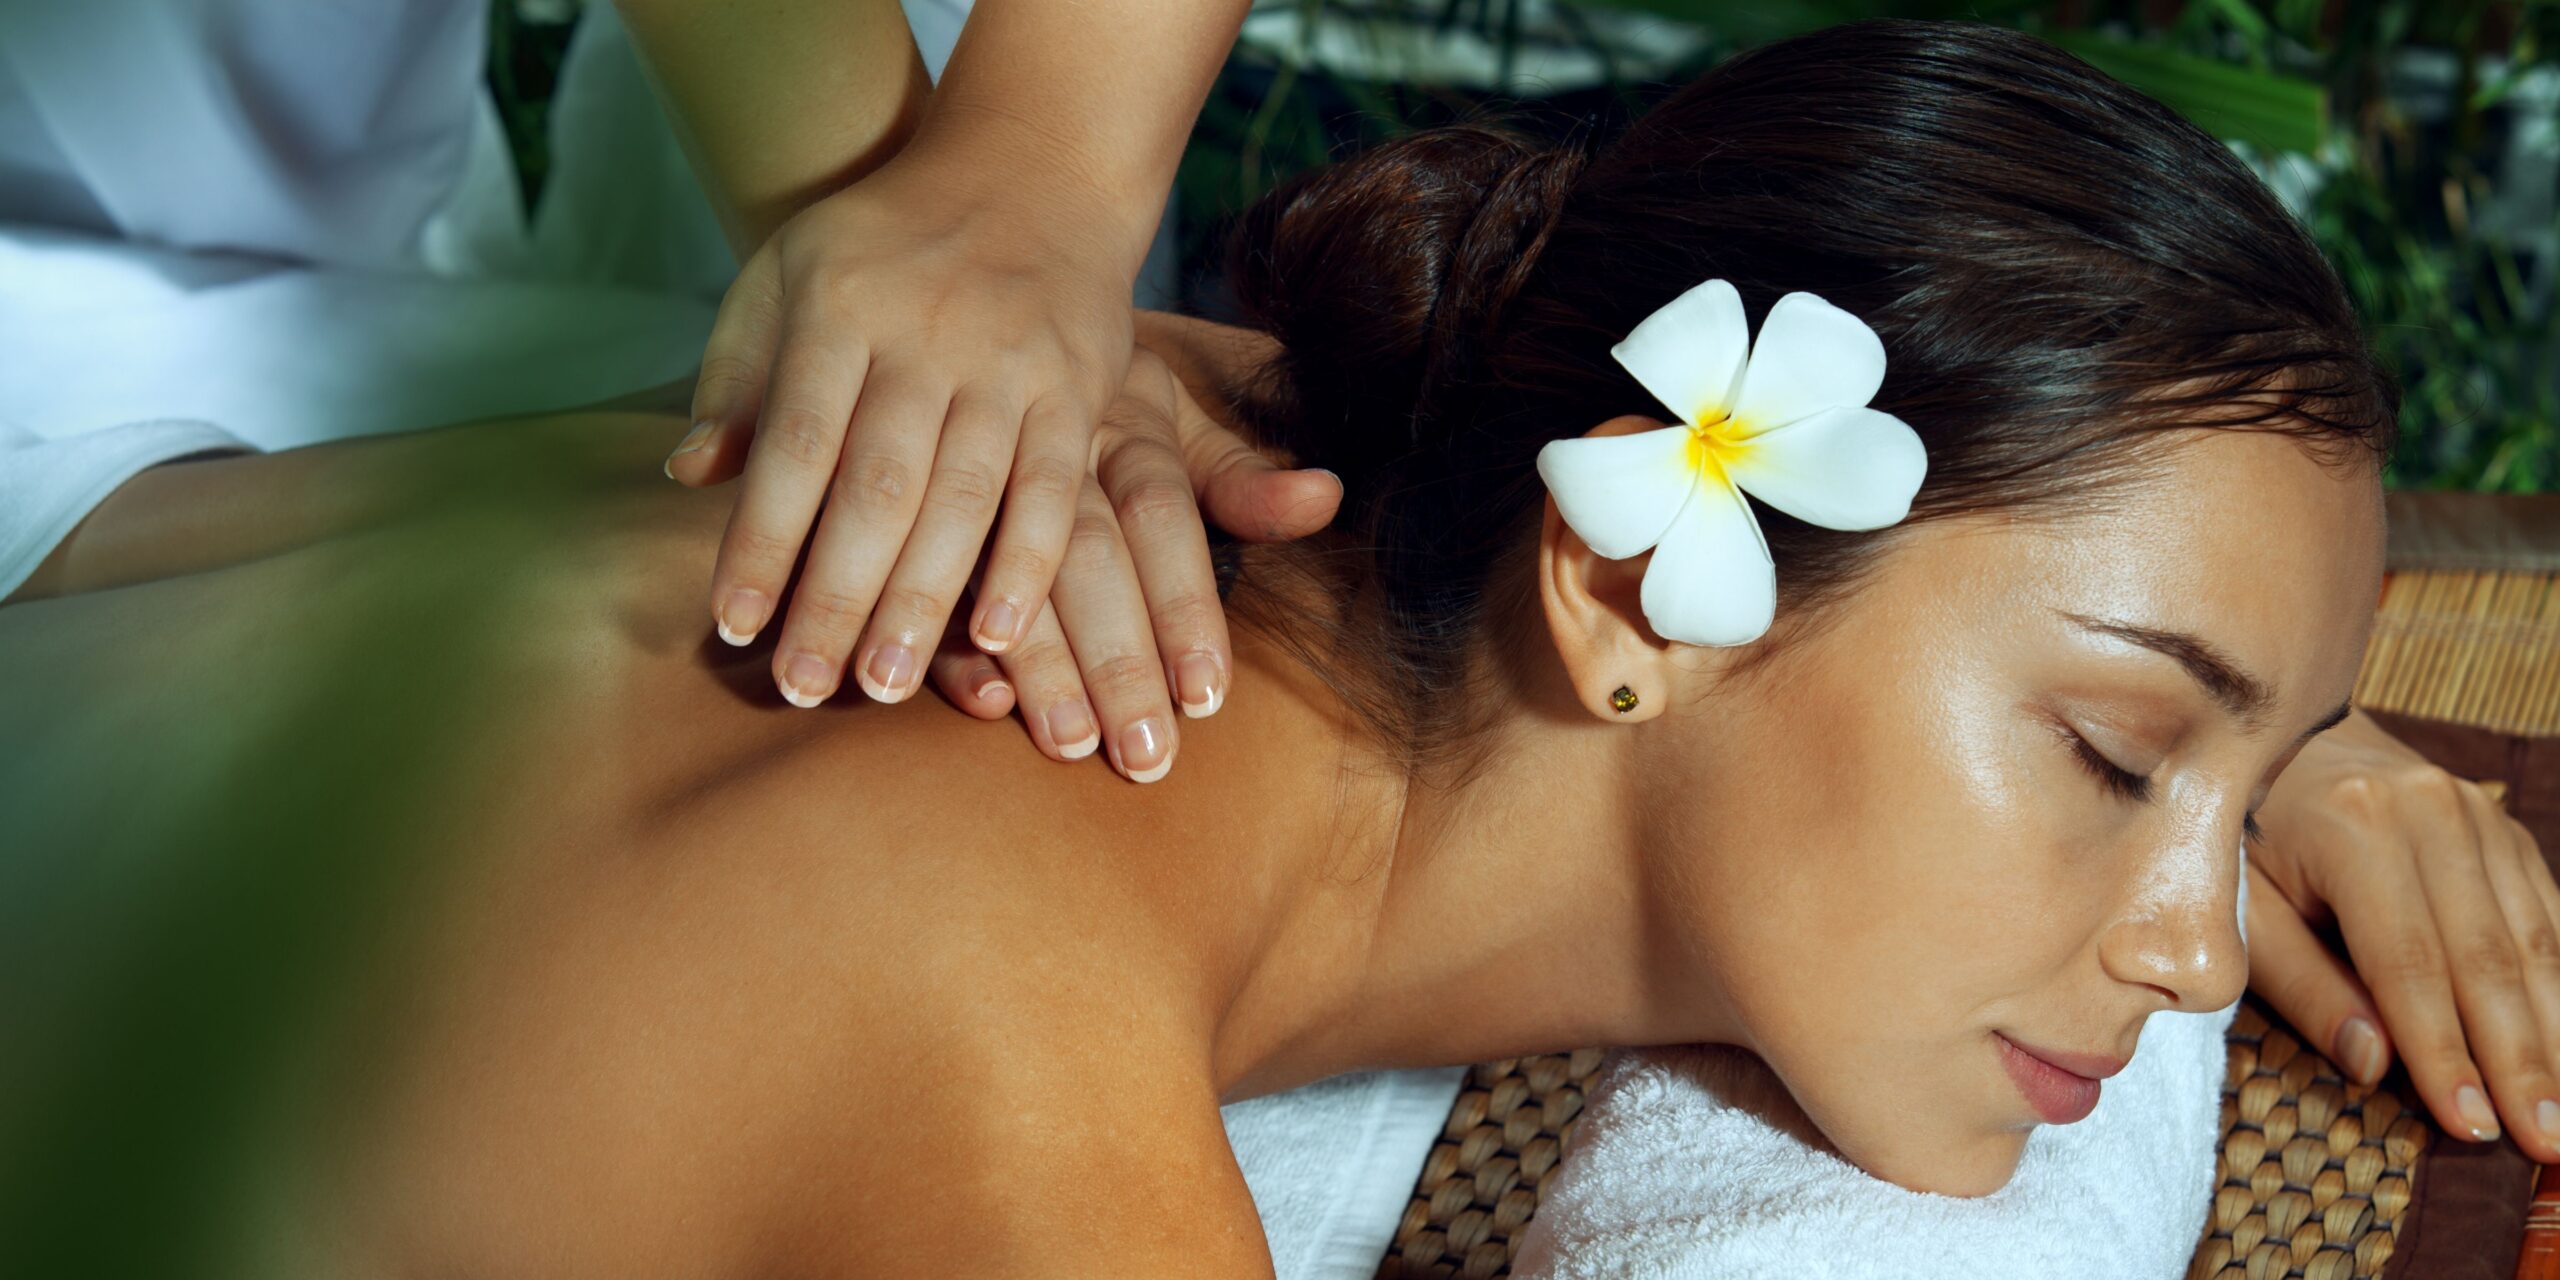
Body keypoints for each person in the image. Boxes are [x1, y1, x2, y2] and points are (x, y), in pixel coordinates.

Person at [2, 19, 2554, 1277]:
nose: (2193, 951)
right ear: (1627, 581)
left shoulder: (1090, 469)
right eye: (2108, 750)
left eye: (2222, 785)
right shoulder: (1016, 1130)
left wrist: (2262, 740)